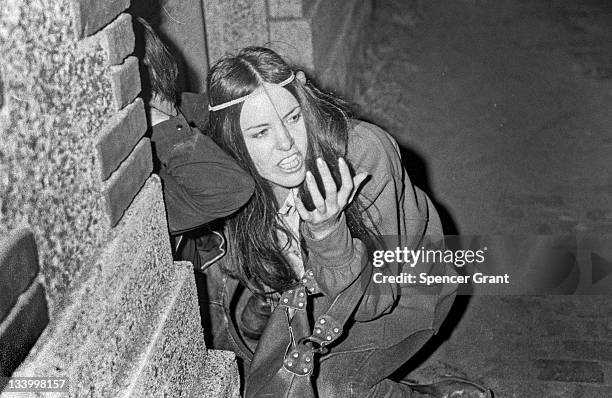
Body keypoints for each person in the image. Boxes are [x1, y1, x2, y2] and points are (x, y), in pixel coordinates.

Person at [206, 47, 492, 397]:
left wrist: (327, 232)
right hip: (314, 287)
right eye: (261, 132)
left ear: (304, 99)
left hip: (405, 293)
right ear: (234, 141)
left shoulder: (363, 154)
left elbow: (377, 300)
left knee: (329, 386)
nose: (286, 144)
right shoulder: (237, 173)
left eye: (293, 117)